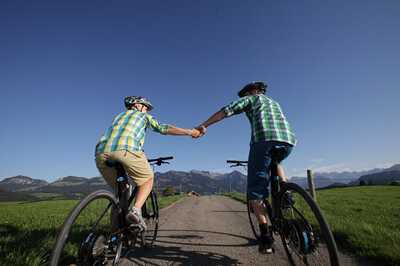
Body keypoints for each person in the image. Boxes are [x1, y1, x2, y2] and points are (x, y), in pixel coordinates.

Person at [195, 81, 296, 253]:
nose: (244, 97)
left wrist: (204, 125)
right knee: (275, 162)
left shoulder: (252, 99)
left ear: (254, 91)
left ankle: (265, 237)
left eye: (246, 94)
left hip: (263, 140)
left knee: (255, 192)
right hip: (288, 140)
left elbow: (227, 110)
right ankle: (285, 193)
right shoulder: (274, 102)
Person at [95, 96, 201, 230]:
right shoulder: (142, 116)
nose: (147, 110)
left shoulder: (119, 116)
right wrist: (190, 132)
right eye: (145, 107)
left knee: (121, 192)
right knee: (147, 179)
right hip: (126, 150)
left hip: (101, 153)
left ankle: (114, 233)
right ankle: (136, 211)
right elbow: (163, 128)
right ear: (137, 105)